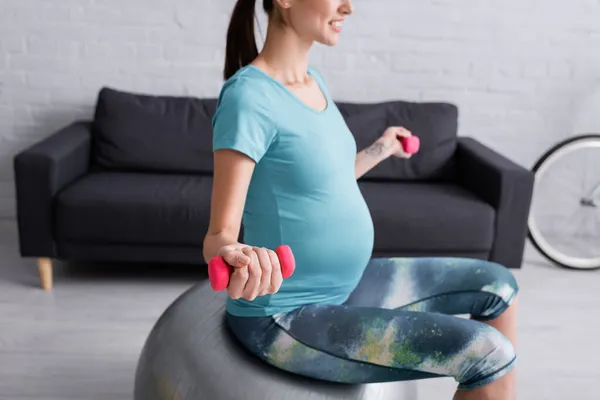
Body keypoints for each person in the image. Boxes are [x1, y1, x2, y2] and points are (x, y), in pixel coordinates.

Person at [203, 1, 519, 399]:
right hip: (285, 315)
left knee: (499, 286)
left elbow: (320, 182)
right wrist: (239, 256)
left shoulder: (313, 81)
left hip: (345, 285)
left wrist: (380, 149)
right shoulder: (248, 97)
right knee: (487, 353)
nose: (348, 7)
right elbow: (219, 236)